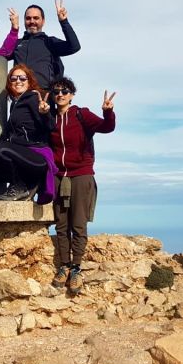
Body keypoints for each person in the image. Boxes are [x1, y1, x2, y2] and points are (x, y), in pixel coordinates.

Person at [48, 77, 116, 295]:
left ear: (72, 94)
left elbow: (107, 128)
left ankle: (76, 268)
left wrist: (107, 112)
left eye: (65, 91)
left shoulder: (81, 114)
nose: (60, 94)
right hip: (59, 176)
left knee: (78, 224)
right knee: (60, 224)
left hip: (81, 175)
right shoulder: (49, 119)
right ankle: (64, 267)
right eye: (57, 91)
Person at [0, 64, 57, 202]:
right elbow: (8, 133)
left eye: (22, 78)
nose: (18, 81)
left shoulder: (33, 98)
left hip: (37, 155)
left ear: (29, 81)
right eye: (13, 79)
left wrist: (45, 113)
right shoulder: (15, 104)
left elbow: (50, 126)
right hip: (22, 156)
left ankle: (21, 187)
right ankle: (28, 183)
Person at [11, 0, 80, 93]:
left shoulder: (50, 42)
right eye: (28, 18)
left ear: (43, 21)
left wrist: (64, 21)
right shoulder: (17, 44)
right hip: (20, 96)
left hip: (44, 97)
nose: (32, 21)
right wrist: (14, 29)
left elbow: (74, 46)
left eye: (36, 18)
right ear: (24, 21)